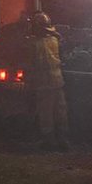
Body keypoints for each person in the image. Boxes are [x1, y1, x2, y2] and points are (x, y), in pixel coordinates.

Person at [27, 11, 69, 150]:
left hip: (44, 83)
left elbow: (30, 61)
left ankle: (48, 142)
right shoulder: (54, 40)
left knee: (46, 113)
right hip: (58, 81)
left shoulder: (34, 43)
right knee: (60, 112)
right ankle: (63, 141)